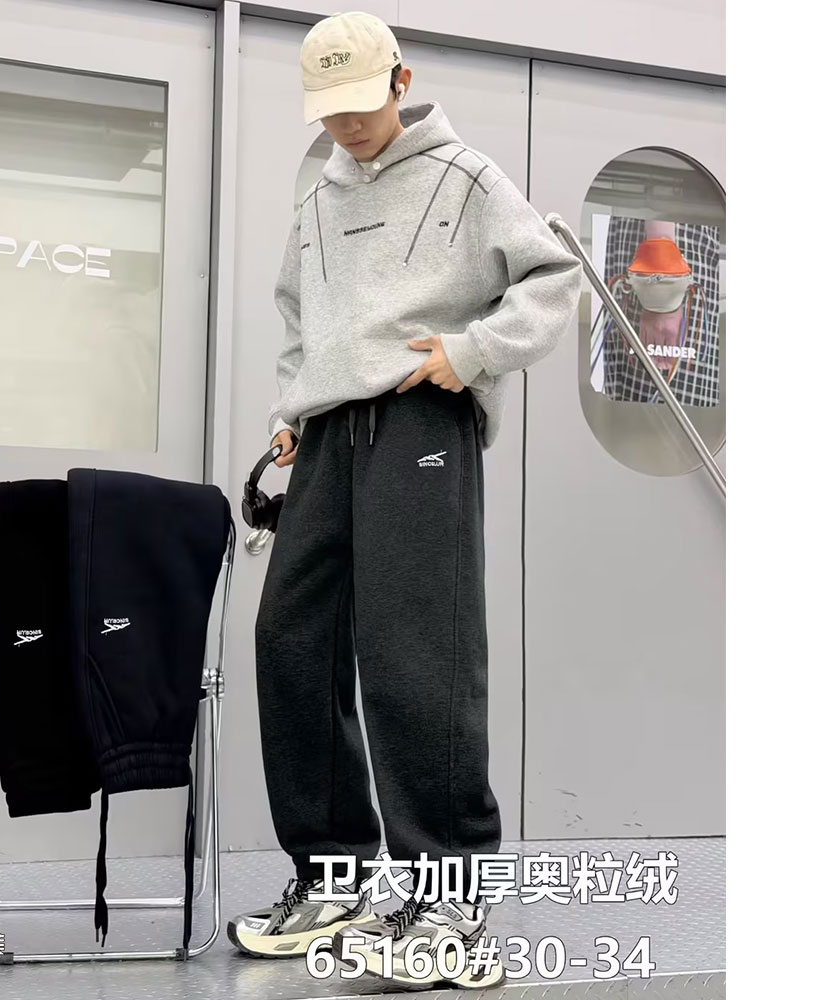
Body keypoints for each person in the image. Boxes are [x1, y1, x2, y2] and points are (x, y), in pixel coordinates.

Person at [227, 10, 582, 989]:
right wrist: (291, 411)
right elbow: (297, 319)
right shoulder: (318, 196)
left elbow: (552, 276)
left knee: (415, 651)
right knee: (291, 640)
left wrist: (473, 353)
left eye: (359, 101)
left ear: (399, 80)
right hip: (326, 434)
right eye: (328, 107)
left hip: (421, 419)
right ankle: (333, 876)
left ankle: (452, 899)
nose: (345, 123)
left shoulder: (465, 177)